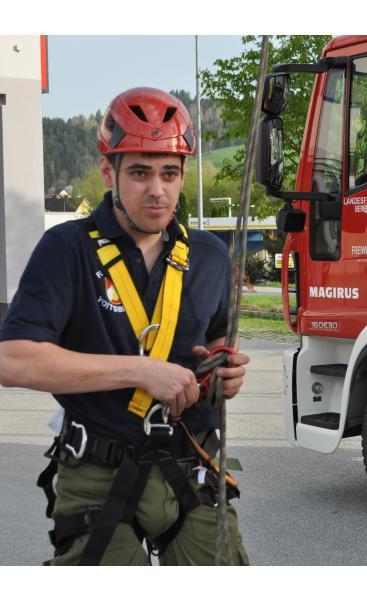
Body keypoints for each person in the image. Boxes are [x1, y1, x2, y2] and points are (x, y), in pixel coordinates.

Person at [0, 87, 250, 565]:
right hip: (99, 469)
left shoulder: (209, 256)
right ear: (107, 172)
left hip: (190, 463)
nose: (157, 189)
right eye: (139, 172)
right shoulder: (68, 249)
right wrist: (140, 372)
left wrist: (225, 374)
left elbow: (217, 341)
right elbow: (13, 360)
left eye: (169, 173)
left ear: (182, 175)